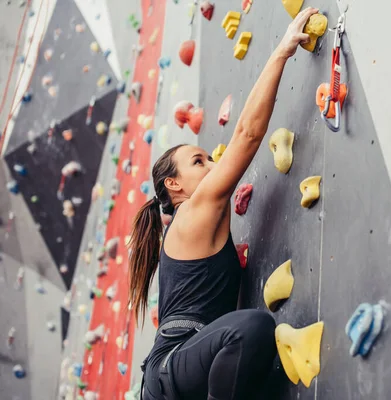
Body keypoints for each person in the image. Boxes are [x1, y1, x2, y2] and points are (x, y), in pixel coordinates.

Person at [127, 7, 319, 400]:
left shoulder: (197, 221)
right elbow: (247, 136)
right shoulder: (191, 214)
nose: (213, 164)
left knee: (250, 336)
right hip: (172, 371)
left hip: (189, 367)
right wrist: (282, 51)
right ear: (174, 185)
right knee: (252, 329)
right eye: (199, 161)